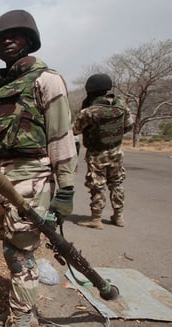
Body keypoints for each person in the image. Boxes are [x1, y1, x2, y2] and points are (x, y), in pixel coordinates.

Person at [0, 10, 78, 327]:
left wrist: (65, 190)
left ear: (30, 40)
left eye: (16, 35)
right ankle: (26, 315)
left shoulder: (47, 80)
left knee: (20, 253)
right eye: (2, 37)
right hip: (0, 181)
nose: (8, 40)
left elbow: (61, 136)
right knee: (11, 249)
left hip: (32, 177)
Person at [73, 73, 133, 229]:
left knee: (97, 186)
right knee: (116, 183)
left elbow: (75, 130)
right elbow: (128, 126)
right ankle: (119, 217)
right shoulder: (122, 106)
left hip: (97, 154)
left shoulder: (90, 111)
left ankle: (96, 219)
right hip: (116, 152)